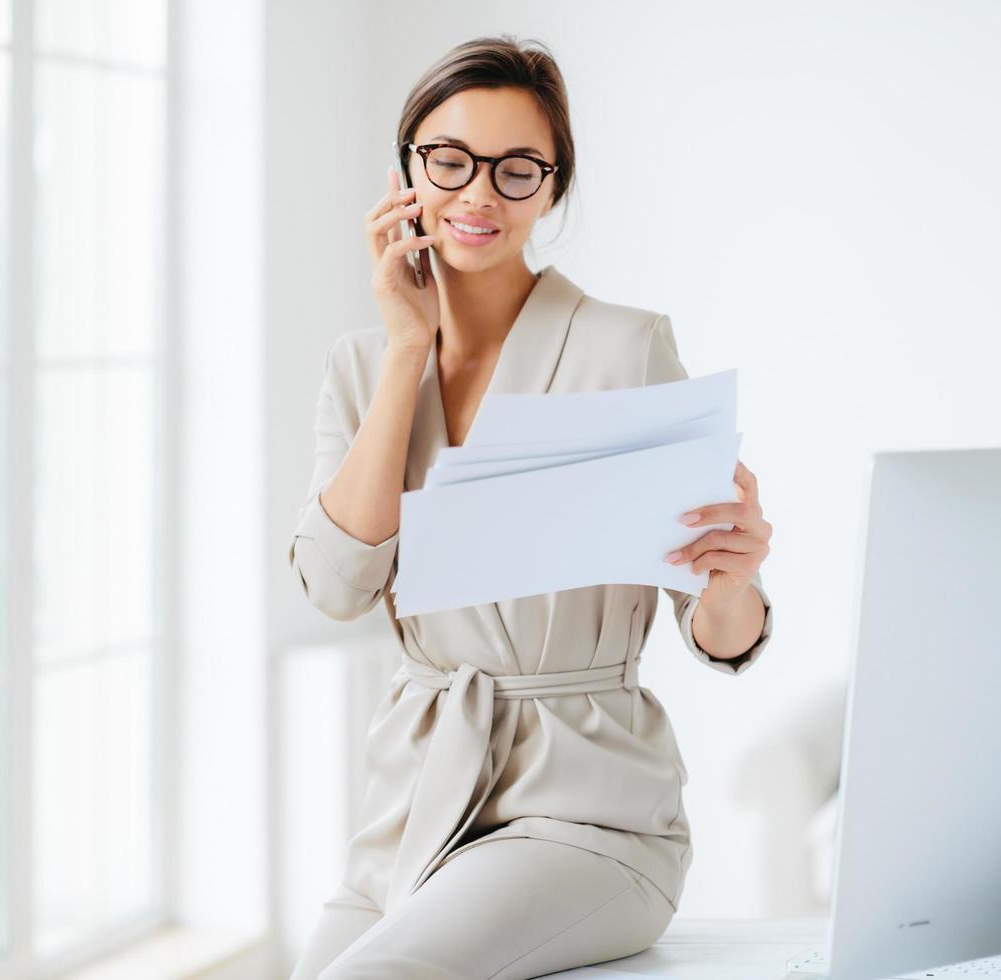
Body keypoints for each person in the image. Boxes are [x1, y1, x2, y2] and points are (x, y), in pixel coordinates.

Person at [286, 34, 776, 980]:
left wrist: (734, 578)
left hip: (590, 813)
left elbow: (717, 633)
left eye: (516, 170)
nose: (477, 196)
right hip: (416, 809)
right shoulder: (361, 363)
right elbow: (339, 586)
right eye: (450, 161)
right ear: (407, 175)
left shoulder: (625, 349)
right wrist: (404, 352)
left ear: (552, 190)